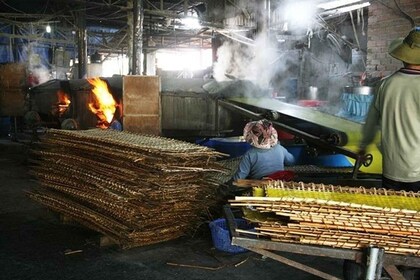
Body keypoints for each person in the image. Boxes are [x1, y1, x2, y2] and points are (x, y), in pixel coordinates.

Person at [358, 27, 420, 192]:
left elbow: (371, 122)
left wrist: (363, 146)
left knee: (392, 211)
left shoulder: (384, 84)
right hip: (417, 172)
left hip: (391, 170)